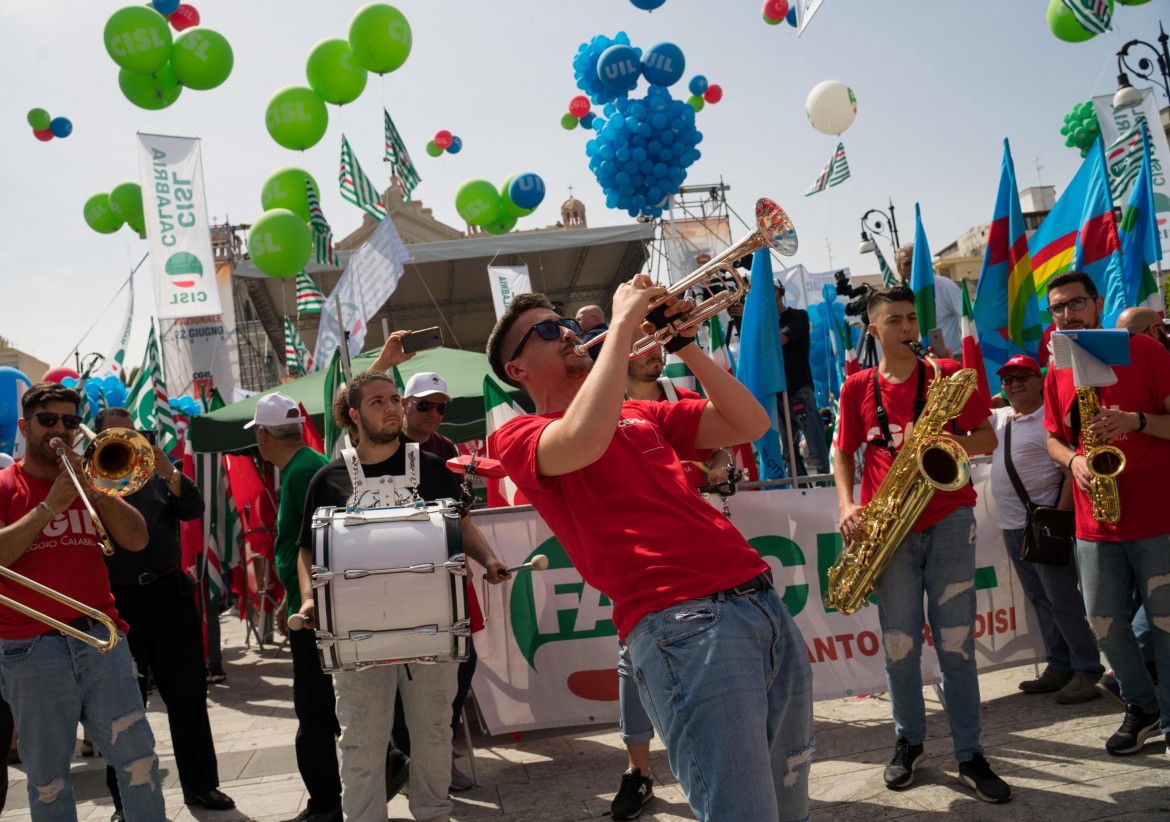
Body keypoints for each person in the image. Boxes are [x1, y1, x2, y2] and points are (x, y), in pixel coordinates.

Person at [486, 284, 813, 822]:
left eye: (563, 320)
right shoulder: (518, 434)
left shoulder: (640, 412)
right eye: (547, 331)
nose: (567, 331)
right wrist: (619, 325)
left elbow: (751, 424)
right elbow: (583, 439)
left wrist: (686, 346)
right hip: (682, 620)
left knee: (789, 801)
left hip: (759, 603)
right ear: (517, 370)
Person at [295, 364, 510, 822]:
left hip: (432, 632)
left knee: (433, 732)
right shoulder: (328, 479)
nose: (391, 408)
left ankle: (433, 813)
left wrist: (487, 559)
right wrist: (309, 598)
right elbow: (308, 551)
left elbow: (462, 523)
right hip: (357, 637)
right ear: (353, 415)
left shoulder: (432, 468)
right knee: (361, 739)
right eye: (378, 402)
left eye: (394, 399)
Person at [833, 286, 1010, 803]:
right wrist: (847, 506)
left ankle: (970, 753)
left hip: (950, 518)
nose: (908, 329)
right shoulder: (856, 387)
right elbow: (843, 455)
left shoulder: (948, 376)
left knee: (957, 646)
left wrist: (941, 443)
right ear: (873, 330)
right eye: (894, 321)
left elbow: (986, 437)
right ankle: (908, 742)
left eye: (912, 319)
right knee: (899, 648)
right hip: (889, 530)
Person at [0, 382, 166, 819]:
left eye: (70, 422)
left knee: (141, 763)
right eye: (48, 420)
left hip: (100, 641)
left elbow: (137, 538)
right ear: (25, 425)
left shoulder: (86, 480)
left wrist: (93, 489)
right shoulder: (4, 486)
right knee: (50, 780)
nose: (59, 429)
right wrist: (50, 507)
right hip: (30, 648)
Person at [1042, 271, 1170, 756]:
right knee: (1103, 623)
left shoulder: (1146, 351)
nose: (1069, 315)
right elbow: (1053, 438)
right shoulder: (1056, 368)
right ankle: (1143, 706)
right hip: (1094, 521)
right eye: (1058, 308)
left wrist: (1136, 421)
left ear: (1097, 304)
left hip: (1158, 515)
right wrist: (1074, 460)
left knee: (1166, 625)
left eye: (1076, 304)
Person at [94, 408, 235, 819]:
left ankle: (201, 786)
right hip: (119, 601)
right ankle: (124, 800)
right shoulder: (91, 482)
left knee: (188, 694)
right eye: (115, 435)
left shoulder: (155, 473)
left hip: (169, 591)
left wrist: (169, 472)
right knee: (123, 706)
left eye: (130, 432)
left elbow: (193, 508)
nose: (125, 441)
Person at [987, 358, 1103, 703]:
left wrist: (1059, 518)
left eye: (1023, 377)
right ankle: (1059, 665)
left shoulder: (1049, 421)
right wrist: (1001, 396)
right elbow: (980, 405)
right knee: (1041, 600)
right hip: (1012, 526)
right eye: (1008, 380)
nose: (1014, 384)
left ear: (1040, 382)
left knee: (1063, 601)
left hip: (1044, 525)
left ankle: (1088, 671)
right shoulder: (1002, 417)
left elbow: (1069, 472)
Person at [249, 393, 338, 822]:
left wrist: (295, 599)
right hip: (311, 604)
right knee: (320, 708)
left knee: (314, 712)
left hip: (315, 611)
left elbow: (315, 546)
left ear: (264, 435)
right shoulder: (305, 465)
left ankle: (326, 805)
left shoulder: (304, 471)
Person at [397, 370, 474, 792]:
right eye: (424, 405)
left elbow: (460, 514)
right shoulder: (382, 444)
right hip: (394, 577)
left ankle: (436, 752)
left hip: (441, 573)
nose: (434, 413)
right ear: (404, 404)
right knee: (401, 670)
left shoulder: (447, 450)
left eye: (441, 407)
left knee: (462, 661)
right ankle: (408, 758)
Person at [775, 277, 830, 478]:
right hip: (777, 394)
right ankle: (802, 491)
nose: (769, 295)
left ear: (781, 292)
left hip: (799, 389)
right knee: (789, 452)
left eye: (772, 290)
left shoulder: (798, 316)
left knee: (814, 445)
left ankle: (823, 487)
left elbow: (781, 339)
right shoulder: (764, 322)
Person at [896, 244, 963, 357]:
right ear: (899, 271)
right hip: (922, 365)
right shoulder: (903, 297)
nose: (913, 267)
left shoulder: (944, 286)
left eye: (916, 261)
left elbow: (970, 319)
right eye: (907, 264)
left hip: (952, 361)